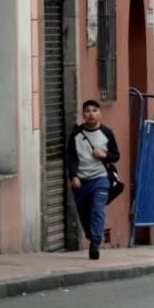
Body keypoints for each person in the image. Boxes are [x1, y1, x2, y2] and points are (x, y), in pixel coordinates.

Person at [65, 100, 120, 260]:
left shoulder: (107, 133)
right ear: (83, 115)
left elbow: (116, 155)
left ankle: (95, 244)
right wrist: (73, 176)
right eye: (87, 111)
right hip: (81, 181)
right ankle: (91, 235)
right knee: (84, 214)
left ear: (99, 114)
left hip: (101, 179)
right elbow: (71, 158)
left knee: (97, 210)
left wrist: (105, 155)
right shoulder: (75, 134)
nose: (91, 113)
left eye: (95, 110)